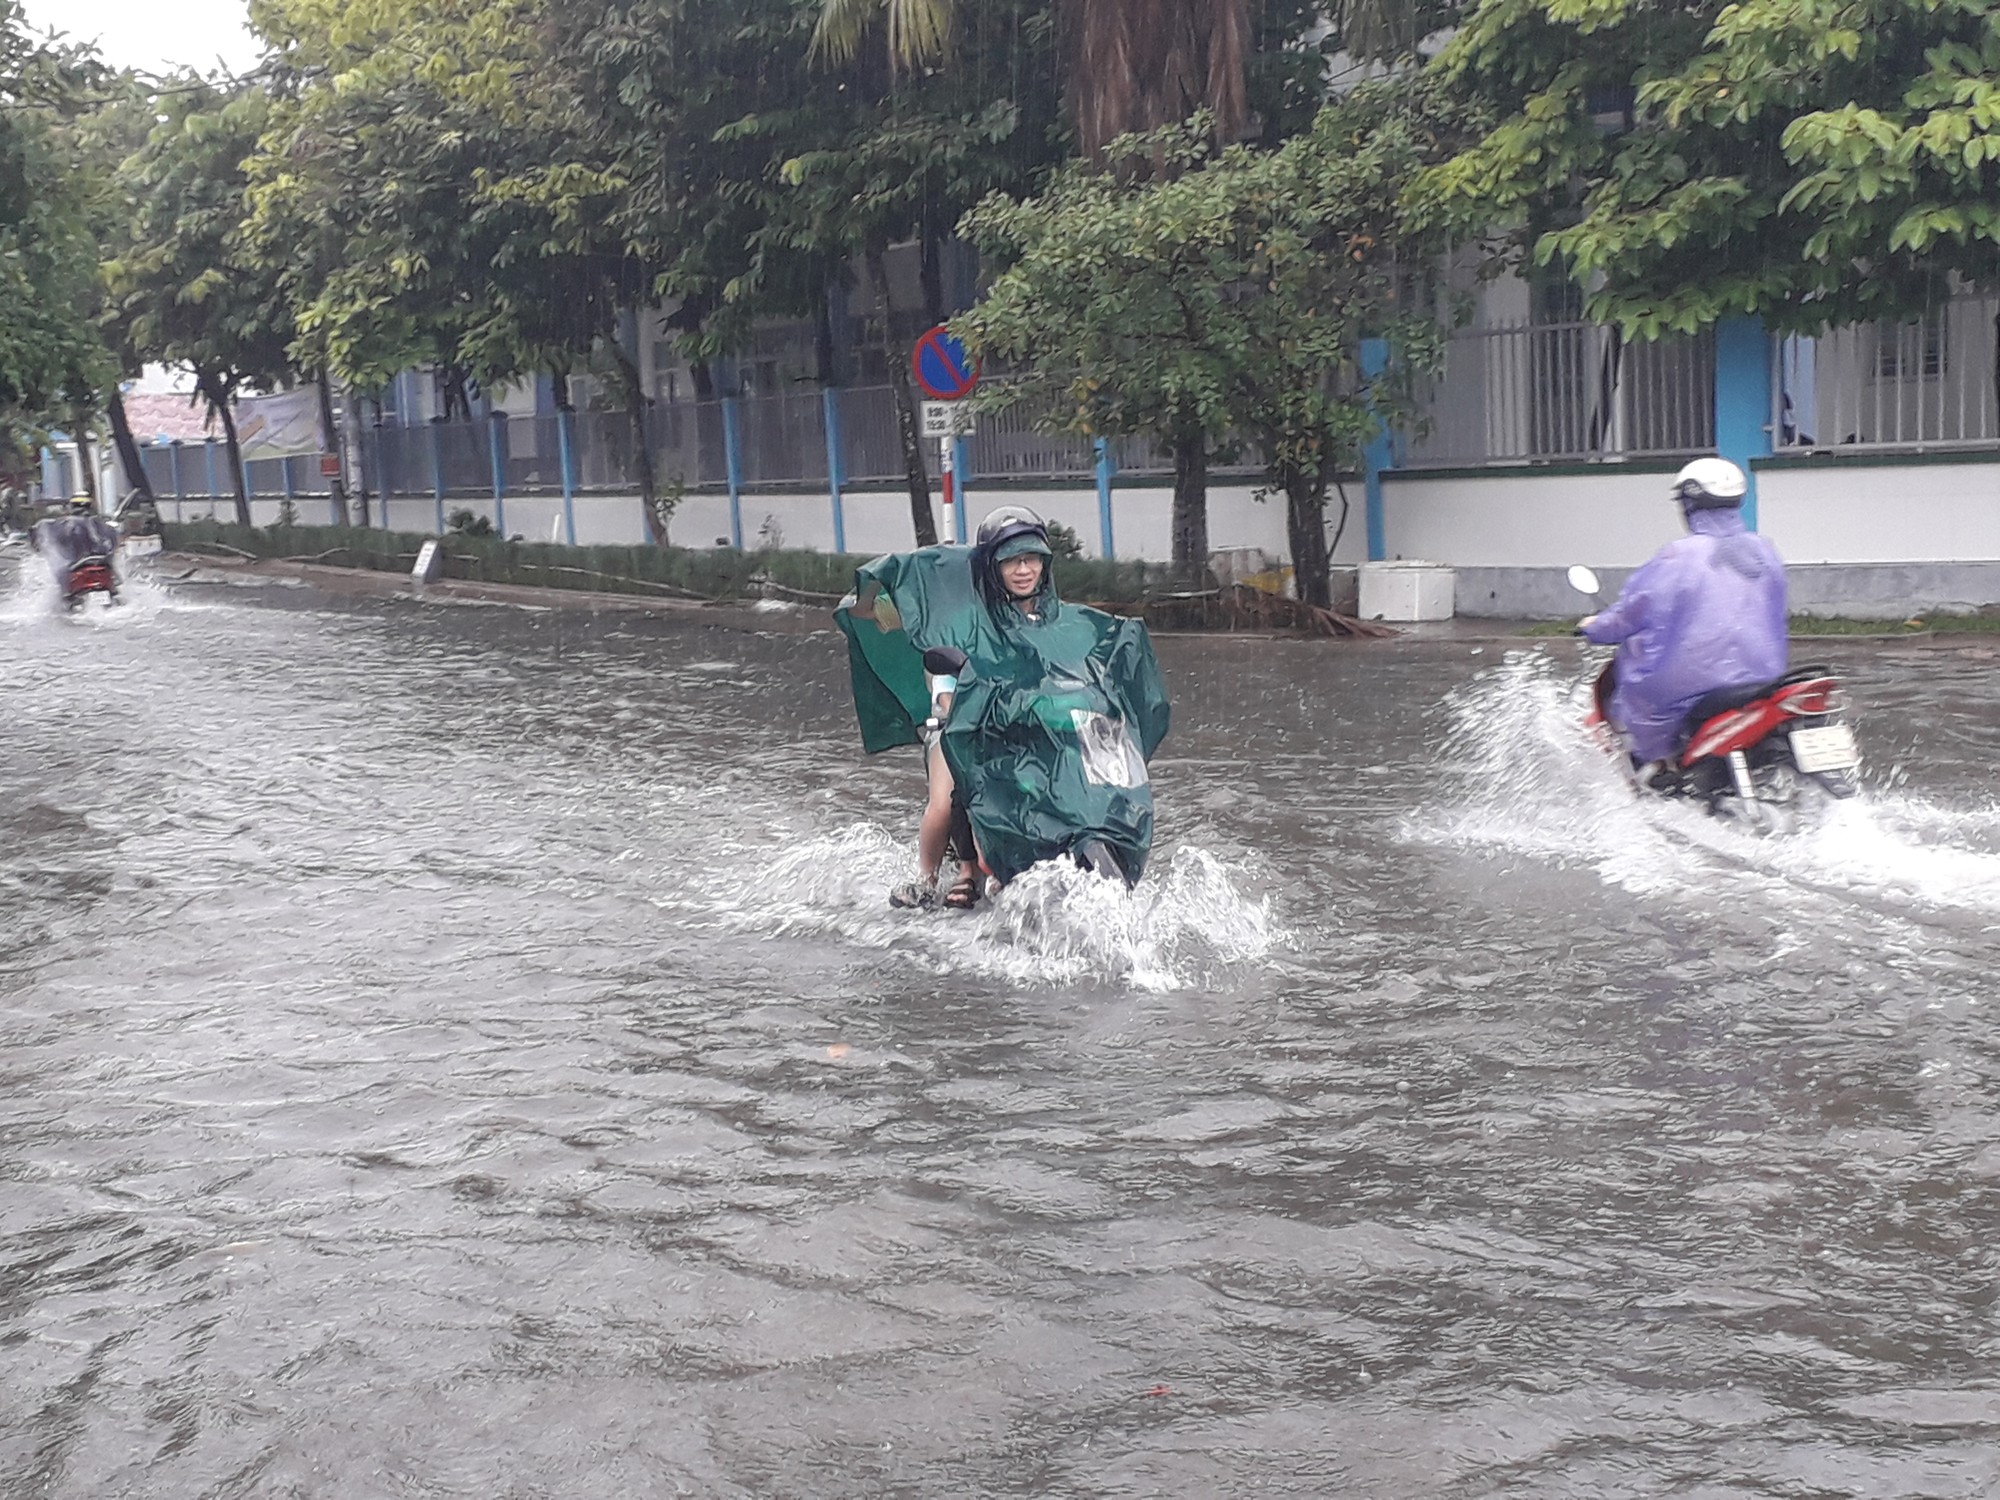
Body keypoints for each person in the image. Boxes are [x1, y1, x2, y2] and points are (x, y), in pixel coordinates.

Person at [887, 506, 1055, 911]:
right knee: (946, 800)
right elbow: (946, 686)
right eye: (1011, 562)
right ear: (991, 567)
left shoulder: (1053, 619)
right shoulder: (969, 622)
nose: (1022, 570)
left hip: (1024, 723)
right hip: (962, 726)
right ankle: (929, 877)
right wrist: (953, 708)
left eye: (1030, 560)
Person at [1580, 457, 1788, 768]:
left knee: (1642, 702)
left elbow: (1631, 613)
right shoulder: (1764, 551)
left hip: (1695, 682)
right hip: (1763, 677)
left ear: (1689, 504)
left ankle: (1658, 767)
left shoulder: (1678, 556)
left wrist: (1595, 627)